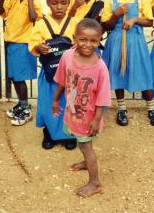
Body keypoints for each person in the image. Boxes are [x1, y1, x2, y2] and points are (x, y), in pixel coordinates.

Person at [52, 18, 111, 198]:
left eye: (94, 41)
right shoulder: (67, 56)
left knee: (87, 146)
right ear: (74, 39)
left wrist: (96, 119)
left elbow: (102, 98)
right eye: (83, 39)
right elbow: (62, 80)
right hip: (73, 112)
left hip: (89, 117)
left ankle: (95, 183)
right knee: (80, 141)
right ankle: (86, 163)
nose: (88, 44)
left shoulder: (100, 68)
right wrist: (55, 100)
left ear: (99, 40)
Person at [101, 0, 154, 127]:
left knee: (142, 72)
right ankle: (122, 108)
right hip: (116, 41)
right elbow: (106, 26)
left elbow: (150, 21)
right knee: (118, 74)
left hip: (135, 42)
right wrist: (116, 14)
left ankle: (151, 108)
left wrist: (134, 19)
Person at [28, 0, 78, 150]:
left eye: (63, 3)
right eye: (55, 3)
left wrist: (77, 46)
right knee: (49, 102)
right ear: (48, 3)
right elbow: (33, 44)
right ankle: (49, 131)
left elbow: (83, 41)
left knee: (70, 102)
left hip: (71, 73)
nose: (59, 7)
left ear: (68, 3)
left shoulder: (74, 22)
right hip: (50, 74)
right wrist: (39, 48)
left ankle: (69, 133)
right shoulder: (42, 24)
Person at [0, 0, 43, 126]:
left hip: (24, 44)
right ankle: (22, 103)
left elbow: (33, 18)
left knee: (20, 79)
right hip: (12, 43)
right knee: (15, 77)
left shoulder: (34, 1)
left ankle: (26, 109)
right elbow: (0, 12)